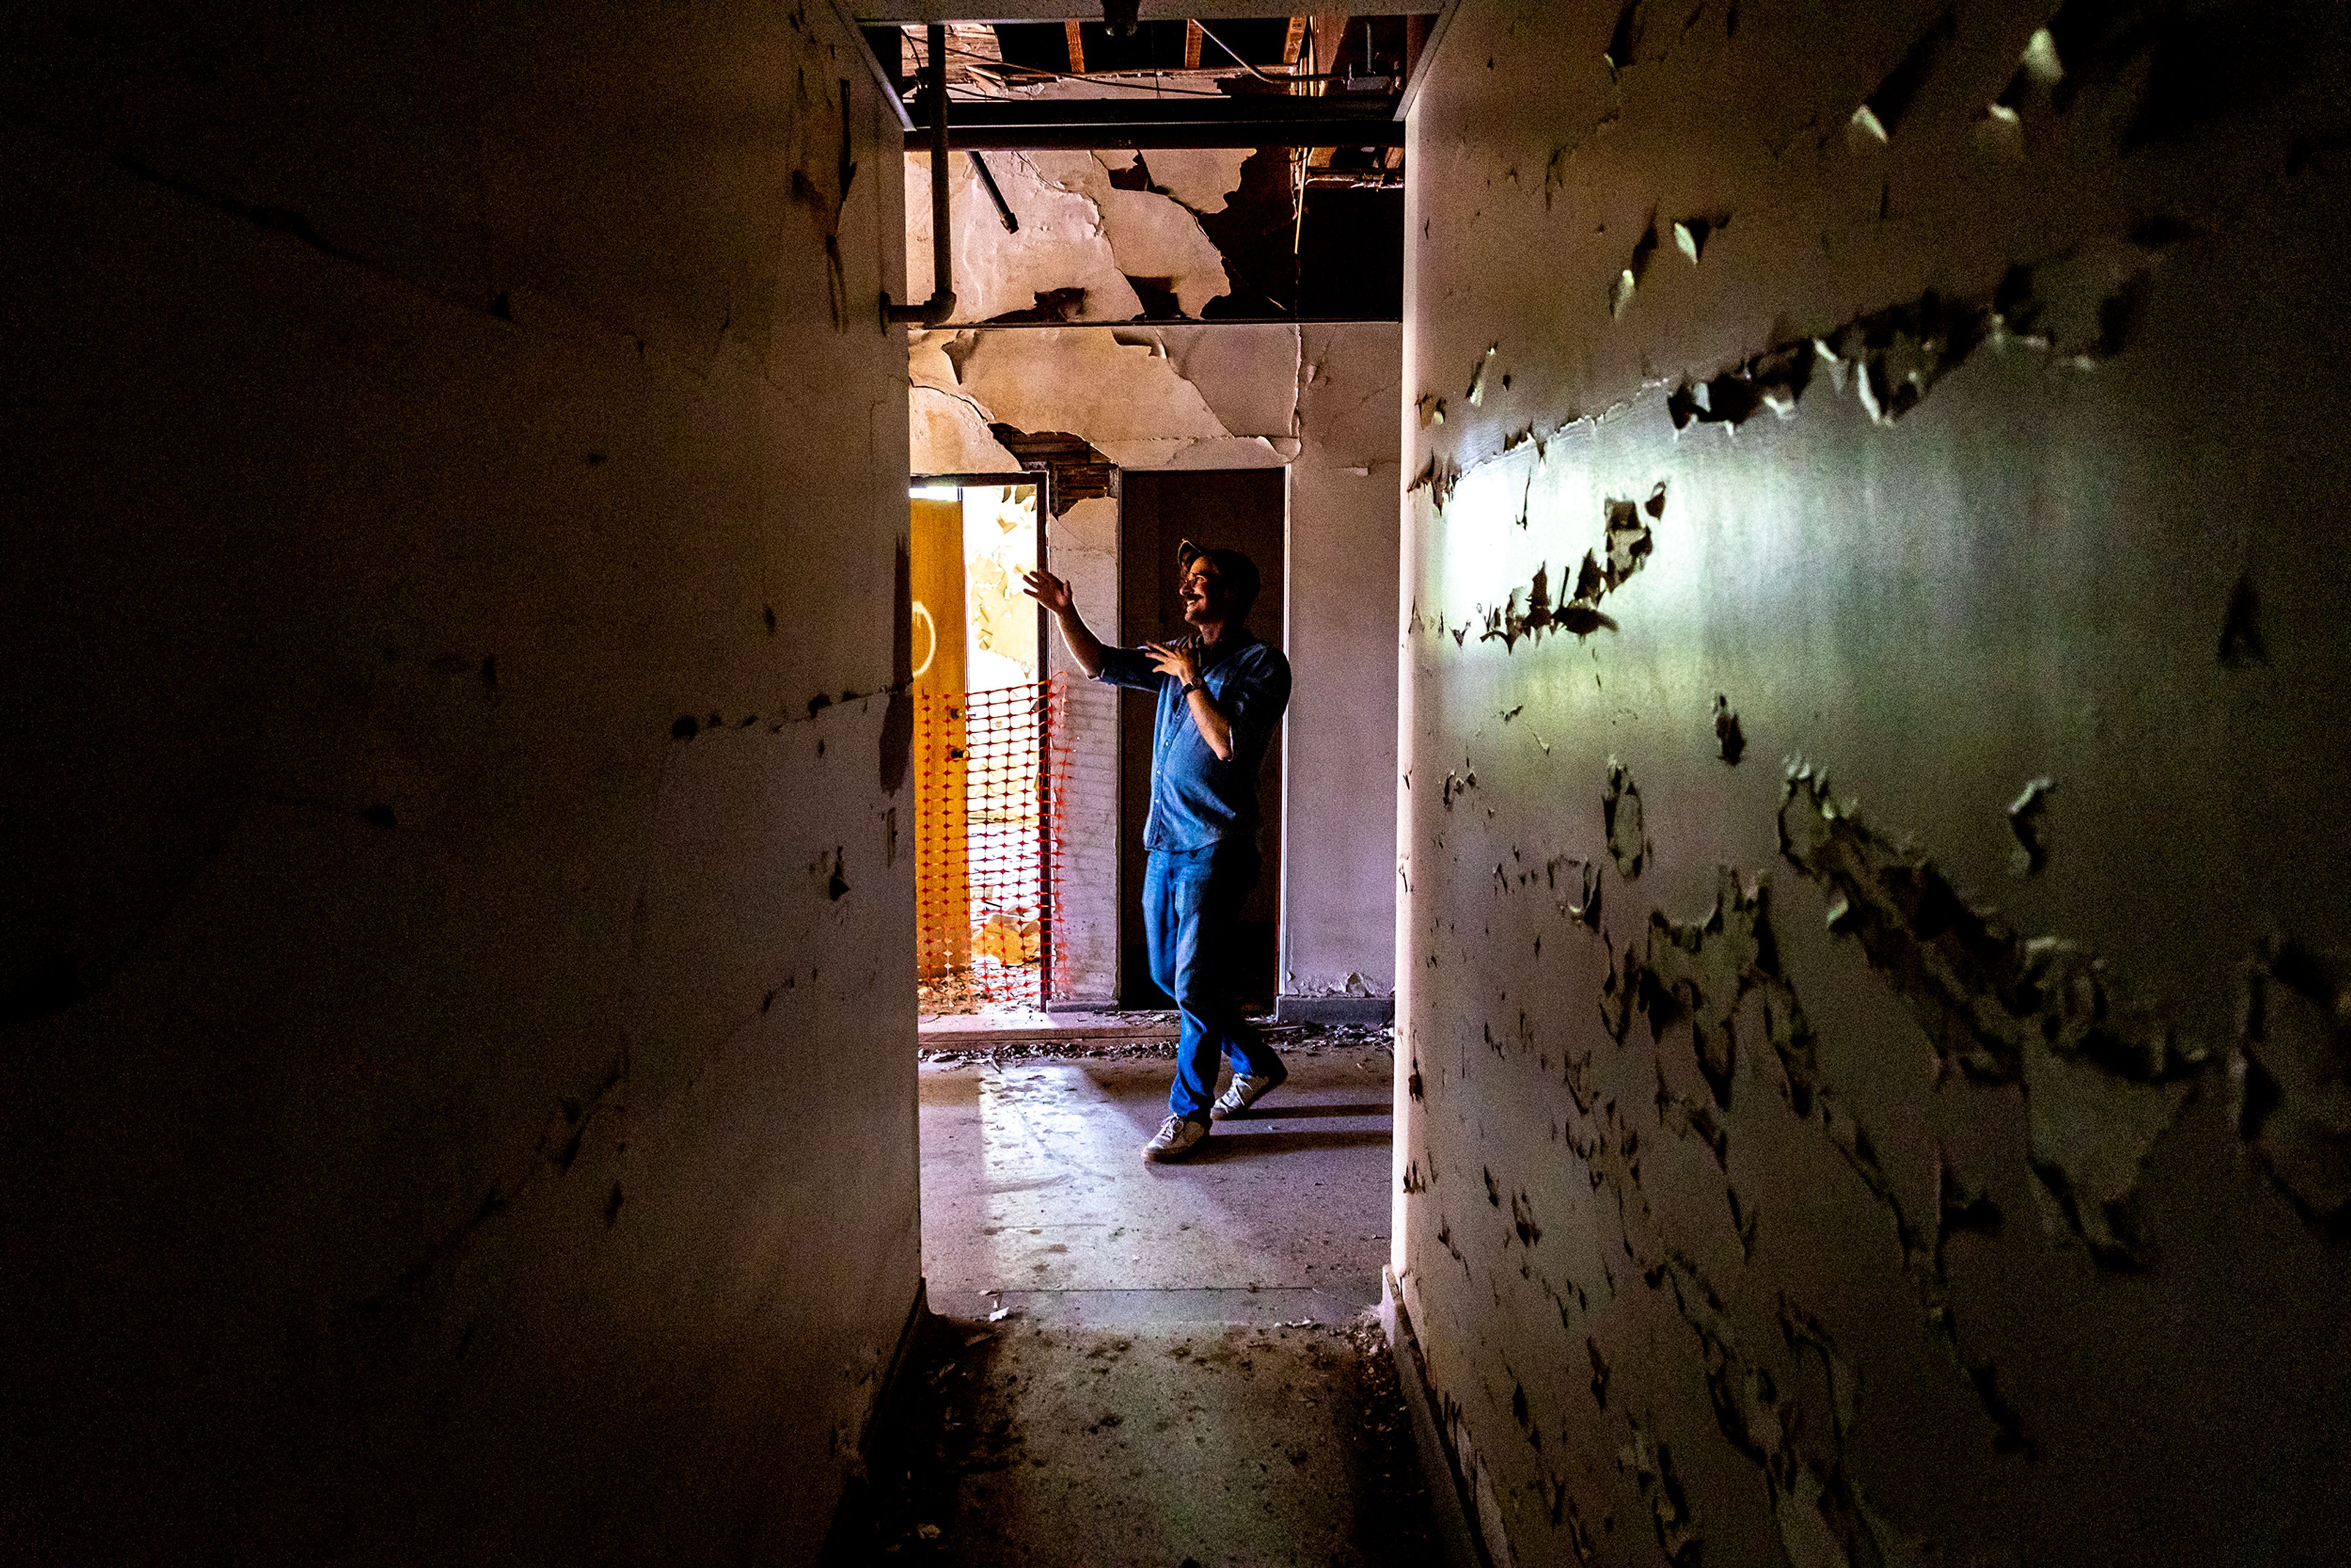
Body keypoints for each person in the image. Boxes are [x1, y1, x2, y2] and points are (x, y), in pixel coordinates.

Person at [1022, 541, 1293, 1163]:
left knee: (1196, 979)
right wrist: (1067, 611)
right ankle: (1255, 1063)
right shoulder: (1179, 655)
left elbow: (1227, 743)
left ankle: (1189, 1114)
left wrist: (1192, 678)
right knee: (1168, 974)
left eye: (1201, 579)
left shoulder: (1261, 665)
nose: (1186, 588)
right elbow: (1100, 664)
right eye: (1186, 578)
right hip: (1165, 841)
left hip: (1217, 846)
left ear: (1233, 592)